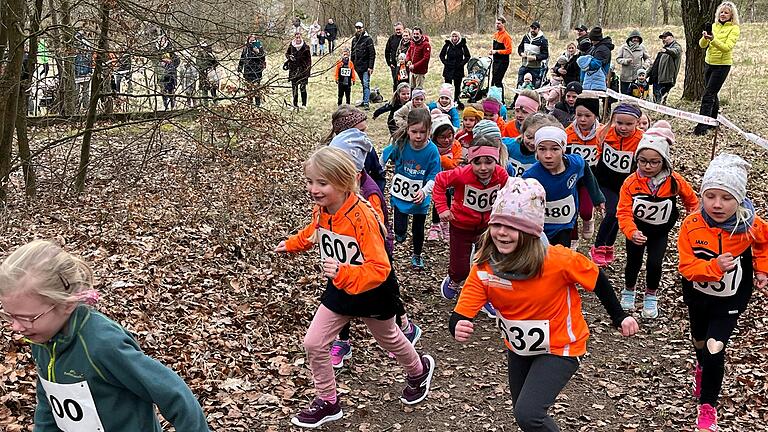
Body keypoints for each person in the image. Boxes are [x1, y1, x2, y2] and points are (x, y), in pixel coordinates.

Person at [449, 177, 639, 432]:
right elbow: (464, 306)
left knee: (529, 414)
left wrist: (619, 317)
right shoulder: (486, 264)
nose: (502, 233)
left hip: (562, 345)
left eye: (512, 226)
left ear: (530, 232)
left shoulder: (557, 260)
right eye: (498, 225)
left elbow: (597, 279)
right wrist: (459, 323)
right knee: (523, 413)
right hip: (519, 347)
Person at [275, 147, 436, 428]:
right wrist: (291, 244)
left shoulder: (361, 216)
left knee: (390, 339)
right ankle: (328, 401)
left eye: (321, 183)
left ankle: (418, 370)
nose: (314, 189)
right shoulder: (324, 210)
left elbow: (380, 268)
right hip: (340, 287)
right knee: (313, 342)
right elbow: (315, 232)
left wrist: (343, 271)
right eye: (310, 181)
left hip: (373, 291)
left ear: (343, 182)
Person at [0, 240, 211, 431]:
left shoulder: (103, 344)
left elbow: (175, 394)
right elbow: (49, 399)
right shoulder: (42, 337)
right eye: (9, 316)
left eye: (26, 317)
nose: (16, 327)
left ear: (66, 304)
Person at [677, 153, 768, 432]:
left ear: (739, 199)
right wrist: (714, 267)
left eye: (726, 198)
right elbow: (686, 266)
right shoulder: (691, 226)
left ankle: (707, 408)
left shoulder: (750, 224)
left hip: (731, 299)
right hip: (697, 294)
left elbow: (764, 243)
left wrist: (762, 269)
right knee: (700, 341)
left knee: (716, 347)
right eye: (711, 196)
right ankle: (701, 367)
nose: (717, 204)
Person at [325, 127, 423, 369]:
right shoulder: (337, 193)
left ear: (353, 170)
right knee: (340, 294)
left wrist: (356, 231)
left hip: (374, 260)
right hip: (343, 260)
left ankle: (405, 327)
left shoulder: (370, 193)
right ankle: (342, 341)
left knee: (388, 296)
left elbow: (377, 231)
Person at [617, 128, 699, 318]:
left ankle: (651, 296)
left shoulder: (674, 181)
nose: (647, 166)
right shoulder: (631, 183)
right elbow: (623, 211)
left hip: (660, 232)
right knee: (633, 262)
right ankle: (629, 290)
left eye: (654, 162)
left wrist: (692, 222)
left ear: (664, 162)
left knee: (655, 263)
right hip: (637, 231)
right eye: (642, 161)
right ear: (636, 160)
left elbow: (692, 201)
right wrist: (631, 232)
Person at [435, 137, 509, 314]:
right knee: (460, 267)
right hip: (461, 225)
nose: (483, 168)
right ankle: (454, 279)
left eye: (488, 162)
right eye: (477, 162)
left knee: (487, 262)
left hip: (487, 227)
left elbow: (507, 193)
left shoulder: (501, 175)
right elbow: (440, 181)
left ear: (496, 161)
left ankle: (485, 295)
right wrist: (442, 208)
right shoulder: (462, 174)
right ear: (470, 161)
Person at [522, 125, 605, 247]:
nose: (548, 155)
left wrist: (597, 197)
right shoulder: (531, 176)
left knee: (561, 255)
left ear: (563, 149)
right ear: (536, 151)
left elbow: (586, 170)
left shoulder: (575, 164)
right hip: (540, 228)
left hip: (565, 224)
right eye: (542, 149)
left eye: (555, 149)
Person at [381, 108, 442, 270]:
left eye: (423, 132)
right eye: (414, 131)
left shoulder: (432, 151)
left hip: (420, 198)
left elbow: (434, 176)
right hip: (400, 196)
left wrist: (424, 191)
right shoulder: (401, 145)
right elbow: (384, 156)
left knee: (418, 229)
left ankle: (417, 254)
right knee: (399, 230)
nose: (418, 136)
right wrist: (378, 171)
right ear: (407, 129)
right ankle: (400, 233)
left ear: (429, 131)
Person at [590, 103, 644, 266]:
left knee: (620, 215)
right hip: (605, 181)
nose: (623, 128)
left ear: (637, 122)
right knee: (612, 211)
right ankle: (598, 246)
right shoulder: (605, 133)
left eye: (628, 124)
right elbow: (598, 151)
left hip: (626, 184)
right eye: (619, 123)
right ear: (613, 120)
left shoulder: (641, 139)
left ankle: (609, 245)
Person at [694, 1, 740, 136]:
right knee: (713, 92)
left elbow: (727, 48)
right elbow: (702, 45)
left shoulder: (734, 28)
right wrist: (705, 38)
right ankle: (714, 121)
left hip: (722, 65)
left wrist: (713, 40)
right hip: (709, 63)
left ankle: (702, 126)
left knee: (708, 95)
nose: (723, 14)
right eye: (721, 12)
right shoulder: (714, 26)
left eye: (726, 12)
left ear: (732, 15)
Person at [323, 106, 386, 192]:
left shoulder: (367, 149)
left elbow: (378, 175)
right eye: (359, 132)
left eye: (364, 131)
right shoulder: (329, 156)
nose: (363, 136)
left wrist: (375, 196)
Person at [565, 97, 602, 242]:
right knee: (570, 210)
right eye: (579, 115)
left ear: (595, 116)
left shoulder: (602, 133)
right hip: (572, 177)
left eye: (587, 116)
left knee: (585, 211)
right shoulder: (568, 133)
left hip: (590, 178)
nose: (582, 119)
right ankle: (572, 239)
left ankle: (588, 219)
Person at [426, 110, 463, 242]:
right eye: (442, 137)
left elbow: (455, 164)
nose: (447, 140)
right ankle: (435, 226)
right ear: (435, 137)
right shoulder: (430, 147)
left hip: (451, 180)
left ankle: (445, 225)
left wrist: (440, 158)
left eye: (450, 136)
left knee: (449, 201)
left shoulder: (456, 145)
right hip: (435, 180)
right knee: (438, 200)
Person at [505, 113, 554, 178]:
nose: (533, 143)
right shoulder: (508, 145)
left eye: (537, 139)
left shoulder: (547, 157)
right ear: (522, 134)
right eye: (529, 137)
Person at [648, 31, 682, 104]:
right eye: (662, 38)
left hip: (666, 79)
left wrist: (666, 51)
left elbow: (674, 52)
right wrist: (647, 74)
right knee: (656, 100)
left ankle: (660, 114)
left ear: (672, 37)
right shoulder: (664, 48)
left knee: (661, 101)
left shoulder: (676, 47)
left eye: (665, 37)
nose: (663, 40)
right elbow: (655, 64)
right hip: (656, 78)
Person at [440, 31, 471, 107]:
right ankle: (447, 101)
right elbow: (441, 55)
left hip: (458, 69)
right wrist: (446, 63)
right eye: (453, 36)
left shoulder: (463, 45)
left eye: (456, 37)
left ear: (459, 37)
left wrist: (461, 64)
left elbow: (467, 56)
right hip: (448, 69)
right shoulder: (447, 45)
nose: (454, 38)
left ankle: (456, 101)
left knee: (457, 86)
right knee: (447, 86)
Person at [615, 30, 651, 95]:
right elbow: (618, 59)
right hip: (625, 77)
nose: (636, 39)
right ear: (630, 38)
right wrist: (626, 61)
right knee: (624, 96)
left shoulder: (642, 48)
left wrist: (644, 67)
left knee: (636, 96)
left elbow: (648, 59)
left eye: (637, 38)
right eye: (634, 38)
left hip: (637, 78)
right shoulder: (624, 47)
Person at [351, 22, 376, 109]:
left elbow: (372, 54)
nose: (358, 29)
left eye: (360, 28)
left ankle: (366, 103)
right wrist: (351, 65)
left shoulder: (368, 39)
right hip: (357, 66)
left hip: (366, 66)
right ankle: (365, 99)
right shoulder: (354, 40)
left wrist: (371, 67)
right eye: (357, 28)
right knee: (363, 83)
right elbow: (352, 53)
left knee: (366, 84)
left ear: (363, 28)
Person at [517, 21, 549, 88]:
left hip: (535, 68)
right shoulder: (526, 37)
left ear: (538, 29)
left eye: (535, 28)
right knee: (520, 85)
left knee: (533, 87)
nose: (533, 30)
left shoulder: (543, 40)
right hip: (524, 65)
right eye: (531, 28)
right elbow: (520, 48)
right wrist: (521, 53)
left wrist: (535, 57)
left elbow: (545, 55)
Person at [238, 35, 267, 106]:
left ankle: (257, 104)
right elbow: (242, 58)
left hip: (257, 71)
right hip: (247, 70)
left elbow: (262, 58)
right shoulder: (245, 49)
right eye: (250, 40)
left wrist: (256, 51)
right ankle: (249, 103)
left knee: (256, 88)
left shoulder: (259, 47)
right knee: (248, 88)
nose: (251, 42)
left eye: (253, 40)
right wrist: (239, 67)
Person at [490, 16, 514, 103]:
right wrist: (492, 52)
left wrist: (497, 51)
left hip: (503, 61)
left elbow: (509, 50)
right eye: (496, 23)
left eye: (499, 23)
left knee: (498, 81)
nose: (497, 25)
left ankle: (501, 100)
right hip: (496, 61)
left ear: (503, 24)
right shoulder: (496, 35)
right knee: (493, 80)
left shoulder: (506, 36)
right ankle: (493, 98)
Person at [286, 32, 311, 109]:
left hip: (303, 70)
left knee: (303, 88)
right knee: (294, 88)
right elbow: (287, 54)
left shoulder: (305, 47)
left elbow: (309, 60)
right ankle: (295, 104)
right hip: (293, 70)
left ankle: (304, 104)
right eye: (296, 37)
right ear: (294, 38)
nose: (298, 39)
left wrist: (307, 71)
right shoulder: (291, 46)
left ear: (301, 37)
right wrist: (289, 57)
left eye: (299, 37)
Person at [385, 23, 405, 90]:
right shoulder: (391, 38)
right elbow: (387, 51)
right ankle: (395, 97)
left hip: (404, 65)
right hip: (394, 65)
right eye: (396, 30)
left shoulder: (405, 38)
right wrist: (389, 63)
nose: (398, 31)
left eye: (399, 29)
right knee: (395, 81)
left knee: (404, 82)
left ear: (403, 29)